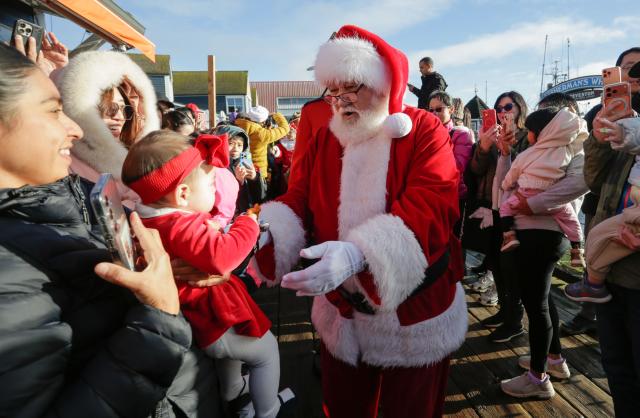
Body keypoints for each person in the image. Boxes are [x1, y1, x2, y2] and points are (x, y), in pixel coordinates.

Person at [0, 42, 223, 417]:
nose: (73, 126)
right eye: (56, 111)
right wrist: (161, 315)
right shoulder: (10, 272)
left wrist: (163, 268)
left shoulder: (69, 198)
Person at [254, 25, 467, 418]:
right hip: (342, 310)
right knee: (343, 407)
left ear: (381, 81)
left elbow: (433, 202)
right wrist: (267, 232)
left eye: (350, 87)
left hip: (414, 312)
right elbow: (298, 196)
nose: (339, 101)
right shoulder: (325, 137)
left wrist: (359, 255)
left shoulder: (423, 128)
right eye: (333, 91)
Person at [122, 131, 294, 418]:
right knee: (266, 353)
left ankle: (234, 392)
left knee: (233, 357)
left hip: (207, 322)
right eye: (212, 183)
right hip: (214, 320)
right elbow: (223, 257)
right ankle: (269, 410)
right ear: (183, 194)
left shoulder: (154, 218)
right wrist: (247, 224)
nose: (215, 191)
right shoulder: (179, 225)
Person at [582, 50, 640, 417]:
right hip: (608, 267)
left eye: (636, 72)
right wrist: (600, 137)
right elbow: (593, 180)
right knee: (617, 368)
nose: (631, 79)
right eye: (625, 73)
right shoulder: (616, 126)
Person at [54, 50, 160, 207]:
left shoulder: (138, 155)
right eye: (110, 108)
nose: (119, 116)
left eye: (125, 109)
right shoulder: (65, 160)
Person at [467, 91, 529, 335]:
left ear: (520, 108)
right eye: (498, 108)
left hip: (515, 211)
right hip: (492, 207)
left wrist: (510, 146)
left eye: (508, 106)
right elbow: (476, 170)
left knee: (512, 268)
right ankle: (505, 311)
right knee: (497, 264)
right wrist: (483, 147)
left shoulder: (527, 136)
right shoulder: (489, 137)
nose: (503, 112)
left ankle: (515, 321)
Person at [499, 107, 587, 269]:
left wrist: (505, 185)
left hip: (525, 194)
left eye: (530, 131)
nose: (528, 134)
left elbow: (512, 175)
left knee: (505, 208)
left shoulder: (528, 154)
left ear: (543, 132)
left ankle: (509, 236)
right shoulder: (566, 151)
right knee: (573, 222)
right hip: (555, 202)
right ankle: (577, 251)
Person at [566, 116, 640, 303]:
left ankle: (592, 284)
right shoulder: (623, 123)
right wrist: (599, 141)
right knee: (595, 238)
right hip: (614, 269)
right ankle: (593, 284)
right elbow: (594, 182)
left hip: (632, 264)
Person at [428, 91, 474, 236]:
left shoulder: (462, 134)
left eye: (439, 109)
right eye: (431, 110)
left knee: (452, 243)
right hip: (431, 196)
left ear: (451, 109)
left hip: (454, 198)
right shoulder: (426, 133)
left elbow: (457, 166)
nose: (434, 113)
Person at [234, 106, 290, 179]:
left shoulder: (238, 125)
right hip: (257, 171)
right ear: (263, 120)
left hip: (238, 169)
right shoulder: (262, 134)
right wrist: (276, 115)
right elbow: (285, 128)